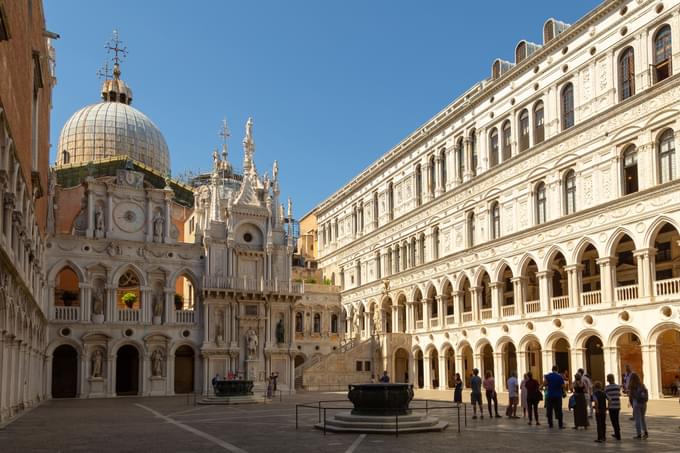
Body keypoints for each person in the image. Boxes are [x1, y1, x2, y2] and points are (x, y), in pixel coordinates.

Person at [628, 373, 648, 439]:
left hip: (636, 402)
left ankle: (639, 434)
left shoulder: (632, 386)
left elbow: (631, 396)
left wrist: (631, 404)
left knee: (637, 419)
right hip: (643, 403)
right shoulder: (642, 385)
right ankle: (645, 432)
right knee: (642, 418)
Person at [605, 373, 621, 440]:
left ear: (608, 379)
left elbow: (606, 396)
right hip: (617, 405)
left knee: (613, 420)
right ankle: (617, 433)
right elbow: (619, 394)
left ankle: (617, 434)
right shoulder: (618, 387)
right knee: (616, 420)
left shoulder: (607, 388)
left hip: (611, 406)